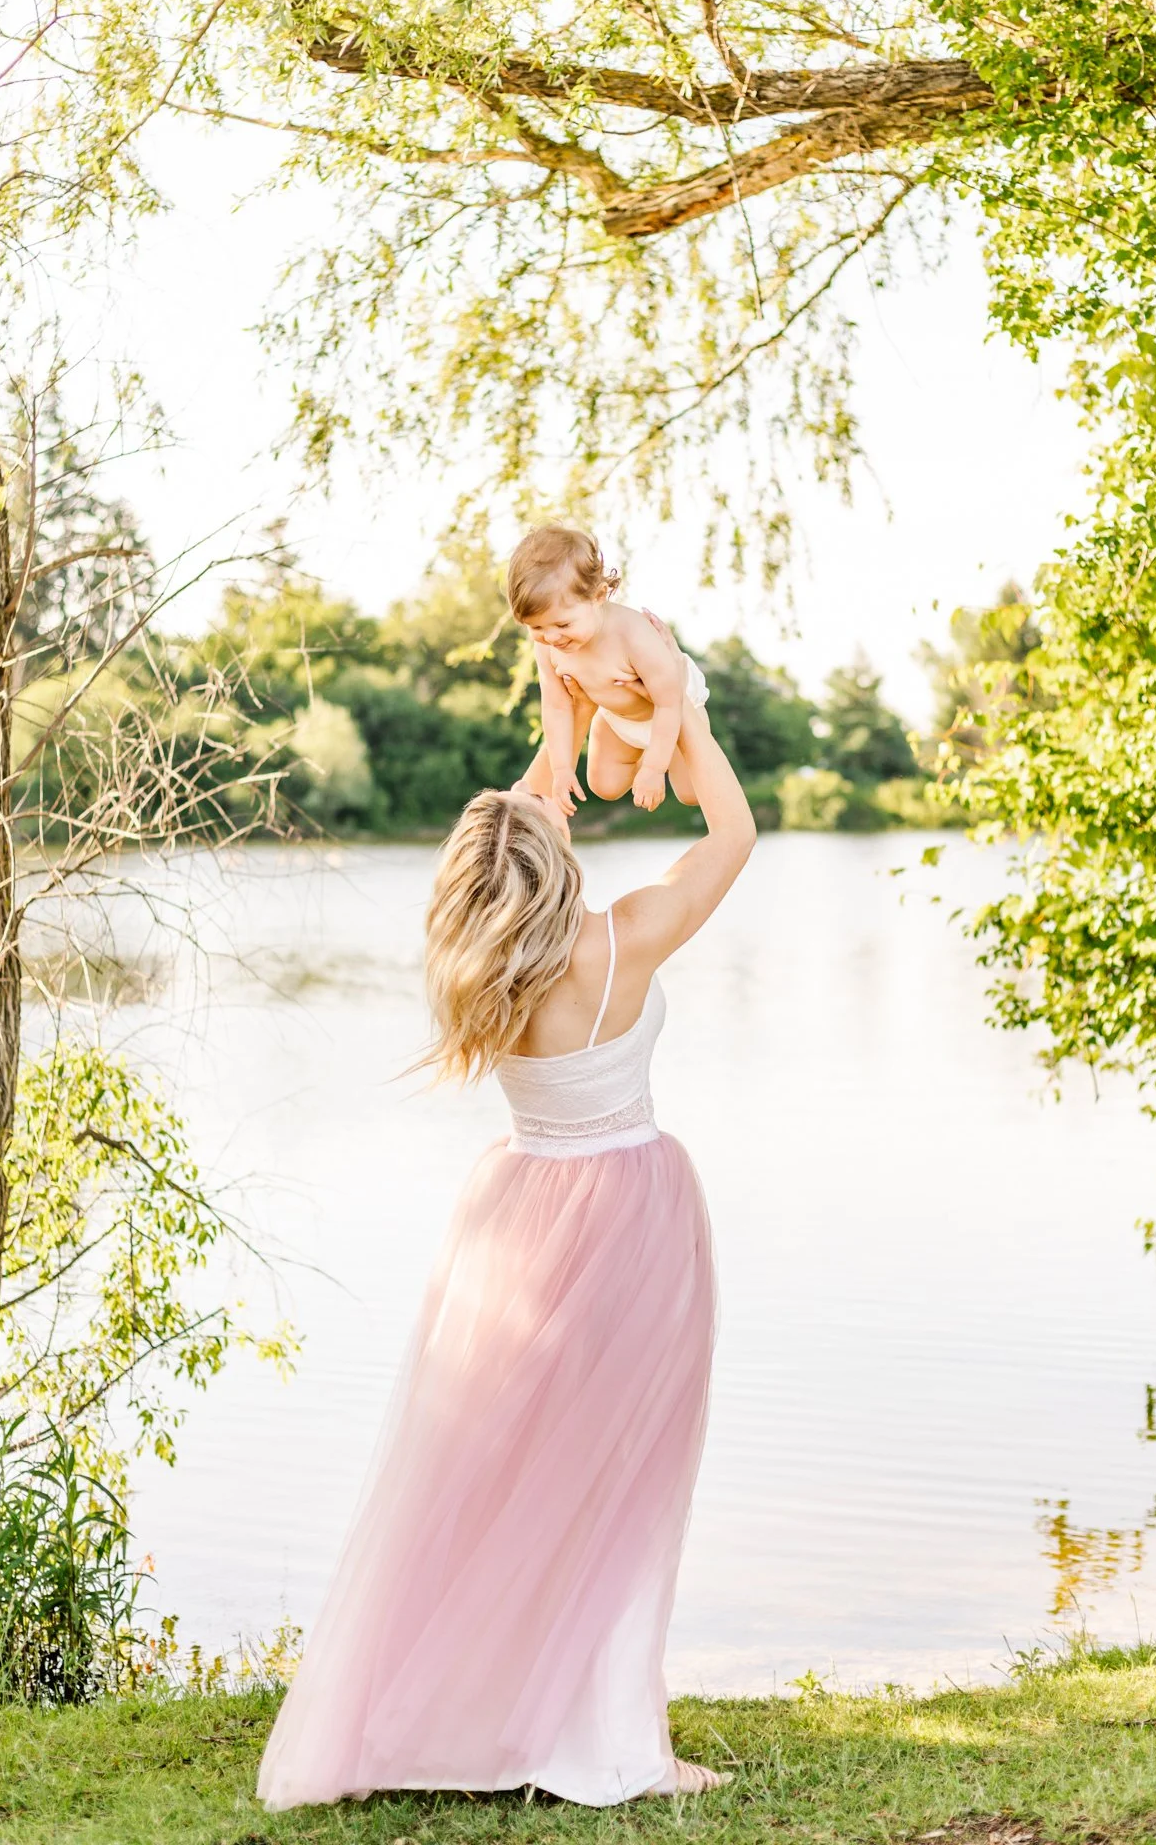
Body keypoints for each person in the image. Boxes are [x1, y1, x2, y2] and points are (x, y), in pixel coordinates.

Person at [257, 658, 755, 1812]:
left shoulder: (479, 963)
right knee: (619, 1482)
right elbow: (729, 832)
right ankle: (603, 1731)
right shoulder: (621, 941)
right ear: (554, 861)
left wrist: (555, 739)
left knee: (502, 1475)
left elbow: (514, 835)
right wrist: (682, 714)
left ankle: (491, 1705)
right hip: (631, 1212)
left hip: (519, 1215)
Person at [506, 524, 710, 815]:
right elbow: (556, 705)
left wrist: (654, 768)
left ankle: (661, 754)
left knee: (692, 793)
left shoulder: (632, 635)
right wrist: (562, 768)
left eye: (563, 624)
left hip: (673, 711)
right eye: (536, 627)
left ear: (598, 596)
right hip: (620, 716)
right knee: (605, 786)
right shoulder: (549, 645)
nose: (551, 637)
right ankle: (639, 754)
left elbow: (668, 700)